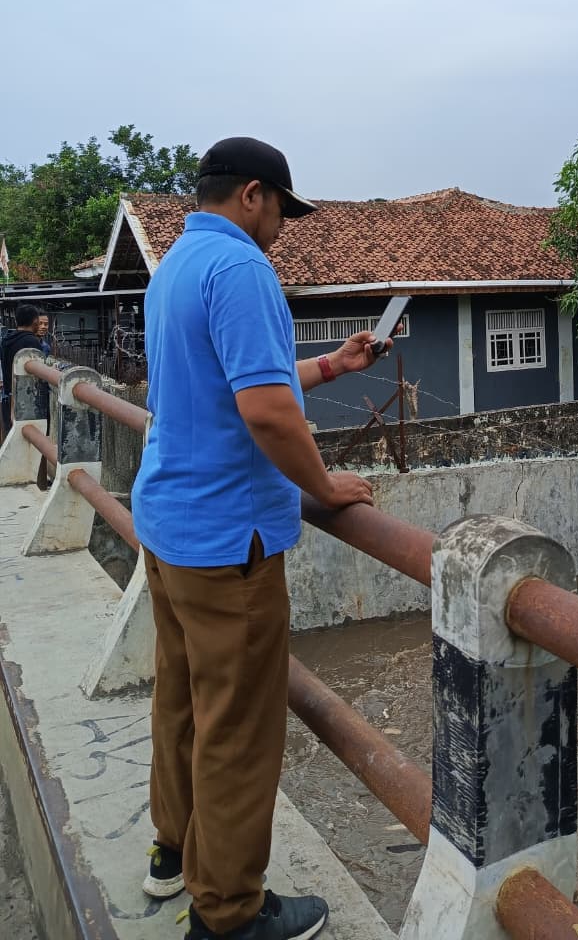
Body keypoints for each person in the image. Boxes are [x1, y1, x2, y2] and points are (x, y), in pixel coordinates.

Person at [132, 137, 385, 940]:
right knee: (237, 729)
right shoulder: (243, 269)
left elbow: (247, 378)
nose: (284, 224)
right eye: (281, 207)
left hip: (170, 526)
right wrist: (325, 486)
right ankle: (230, 914)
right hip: (227, 540)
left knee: (181, 700)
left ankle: (172, 854)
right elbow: (267, 411)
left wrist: (333, 368)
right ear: (252, 195)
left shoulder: (175, 266)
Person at [1, 303, 44, 437]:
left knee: (12, 435)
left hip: (8, 396)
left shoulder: (7, 340)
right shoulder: (31, 341)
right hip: (25, 400)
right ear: (35, 321)